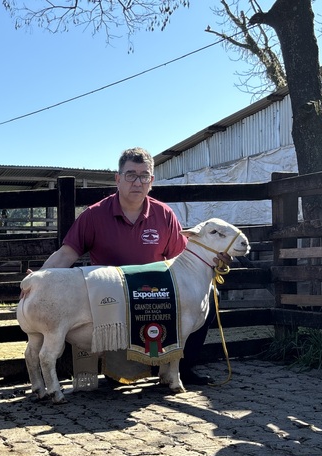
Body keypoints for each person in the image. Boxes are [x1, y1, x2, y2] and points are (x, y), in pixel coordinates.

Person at [39, 147, 219, 386]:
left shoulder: (164, 214)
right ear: (118, 179)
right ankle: (121, 369)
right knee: (119, 378)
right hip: (111, 298)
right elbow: (66, 254)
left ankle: (181, 369)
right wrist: (40, 281)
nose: (137, 182)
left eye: (144, 176)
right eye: (131, 175)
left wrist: (211, 266)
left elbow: (182, 260)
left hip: (155, 295)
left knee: (210, 296)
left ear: (151, 181)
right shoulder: (94, 215)